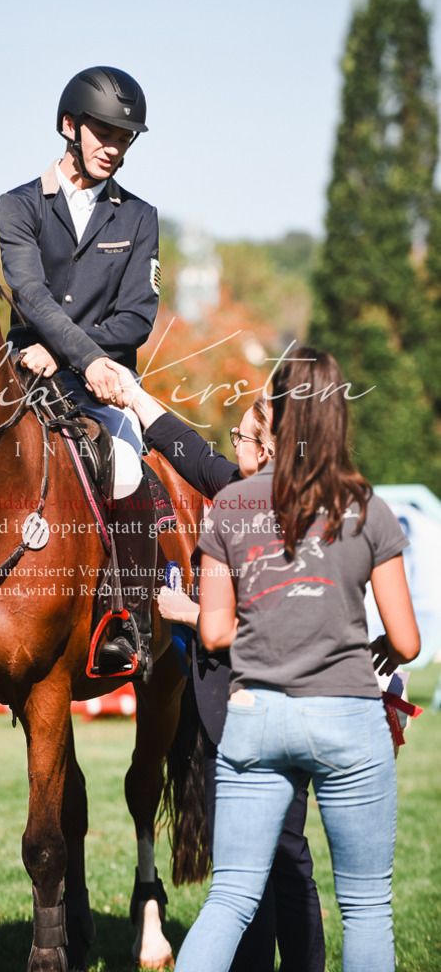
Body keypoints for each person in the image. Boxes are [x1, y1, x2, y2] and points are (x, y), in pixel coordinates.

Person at [172, 347, 420, 972]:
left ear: (277, 416)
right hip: (346, 717)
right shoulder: (366, 507)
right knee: (366, 908)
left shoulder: (229, 506)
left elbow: (216, 630)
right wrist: (379, 650)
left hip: (255, 716)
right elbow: (408, 641)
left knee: (229, 897)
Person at [112, 369, 325, 971]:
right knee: (275, 862)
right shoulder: (253, 491)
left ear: (267, 452)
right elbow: (187, 448)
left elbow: (278, 625)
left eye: (242, 435)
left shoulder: (268, 516)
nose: (232, 443)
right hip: (252, 713)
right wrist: (130, 392)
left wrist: (189, 611)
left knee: (266, 865)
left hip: (253, 714)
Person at [0, 66, 161, 676]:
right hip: (23, 381)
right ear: (70, 125)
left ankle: (130, 621)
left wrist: (73, 354)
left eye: (125, 137)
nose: (115, 147)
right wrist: (75, 354)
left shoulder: (139, 217)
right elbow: (32, 298)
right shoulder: (17, 207)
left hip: (103, 387)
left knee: (124, 469)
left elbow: (137, 317)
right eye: (104, 132)